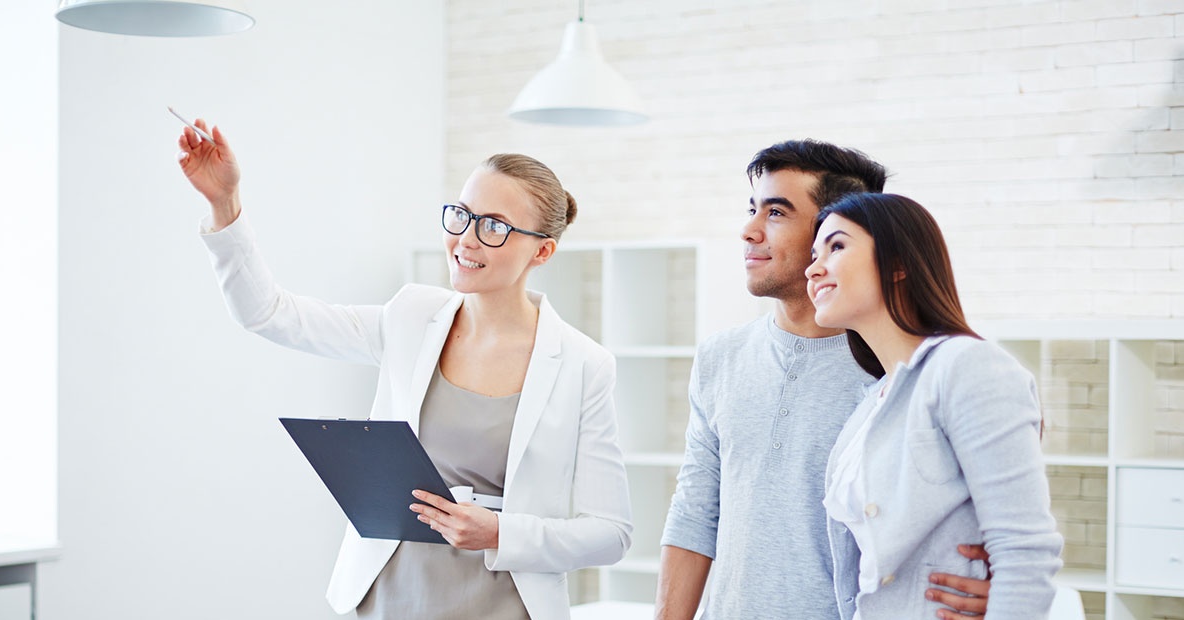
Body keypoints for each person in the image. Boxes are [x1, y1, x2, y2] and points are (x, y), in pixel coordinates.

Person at [175, 120, 631, 620]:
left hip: (506, 602)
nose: (467, 239)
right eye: (461, 214)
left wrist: (500, 533)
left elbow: (610, 533)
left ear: (542, 250)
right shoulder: (410, 316)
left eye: (494, 226)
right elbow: (270, 314)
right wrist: (225, 205)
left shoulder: (584, 365)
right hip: (392, 593)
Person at [655, 140, 994, 620]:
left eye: (776, 213)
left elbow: (991, 521)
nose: (749, 231)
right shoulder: (719, 357)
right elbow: (694, 513)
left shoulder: (902, 368)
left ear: (835, 234)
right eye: (752, 209)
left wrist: (996, 587)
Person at [806, 193, 1062, 618]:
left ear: (898, 263)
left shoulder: (965, 366)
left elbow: (1025, 551)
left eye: (836, 246)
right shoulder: (871, 407)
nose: (813, 268)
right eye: (814, 254)